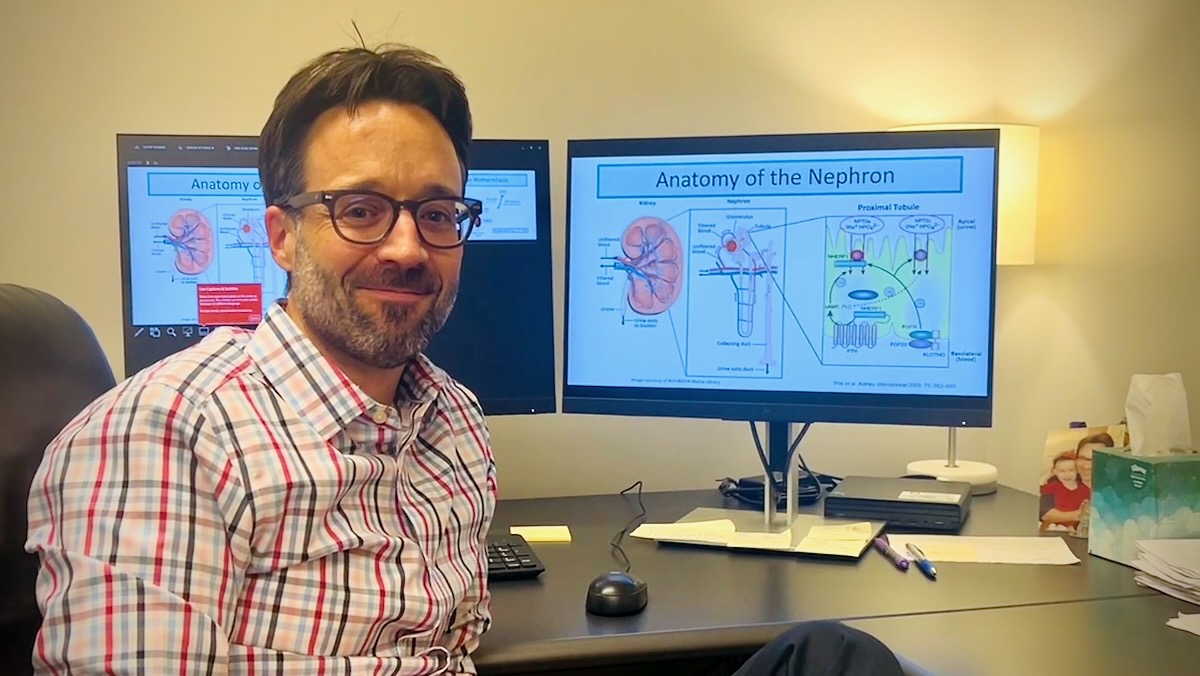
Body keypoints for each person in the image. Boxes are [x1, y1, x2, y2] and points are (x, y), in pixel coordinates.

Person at [26, 44, 494, 673]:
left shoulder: (456, 423)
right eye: (360, 211)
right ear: (282, 238)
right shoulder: (165, 436)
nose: (408, 249)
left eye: (437, 214)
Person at [1039, 452, 1092, 531]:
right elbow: (1044, 513)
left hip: (1075, 529)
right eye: (1062, 471)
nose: (1067, 474)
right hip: (1052, 527)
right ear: (1055, 472)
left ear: (1077, 471)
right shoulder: (1051, 487)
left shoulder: (1085, 490)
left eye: (1071, 470)